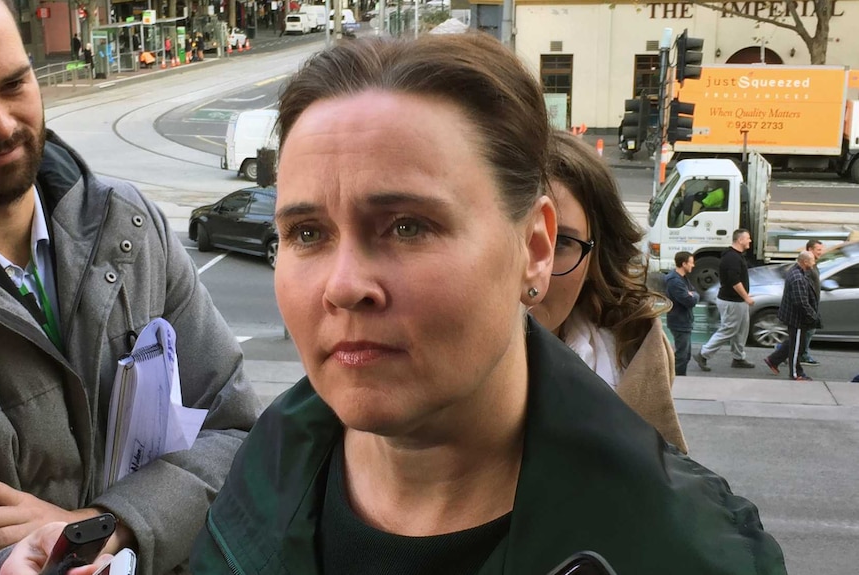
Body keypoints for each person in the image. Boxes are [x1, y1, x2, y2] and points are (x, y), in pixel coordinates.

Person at [190, 34, 786, 575]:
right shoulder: (258, 473)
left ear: (534, 247)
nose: (344, 286)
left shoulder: (689, 554)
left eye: (406, 227)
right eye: (307, 234)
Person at [0, 1, 262, 573]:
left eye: (14, 84)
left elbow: (236, 431)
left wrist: (105, 524)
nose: (2, 123)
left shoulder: (131, 225)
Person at [529, 131, 687, 453]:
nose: (531, 271)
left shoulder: (630, 362)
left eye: (560, 244)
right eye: (512, 238)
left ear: (595, 261)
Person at [694, 228, 756, 371]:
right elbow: (734, 281)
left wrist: (744, 297)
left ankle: (738, 358)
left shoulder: (736, 255)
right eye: (748, 238)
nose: (750, 241)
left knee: (741, 330)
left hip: (737, 300)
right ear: (740, 240)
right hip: (732, 301)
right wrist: (746, 297)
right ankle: (703, 354)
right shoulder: (732, 258)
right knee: (728, 330)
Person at [763, 251, 819, 381]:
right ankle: (795, 373)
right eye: (812, 260)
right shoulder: (798, 278)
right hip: (797, 318)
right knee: (797, 347)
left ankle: (773, 360)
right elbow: (800, 302)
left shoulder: (797, 271)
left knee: (796, 342)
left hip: (794, 316)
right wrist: (812, 316)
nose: (814, 263)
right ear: (805, 262)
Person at [665, 251, 699, 377]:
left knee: (686, 354)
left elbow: (694, 293)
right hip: (679, 321)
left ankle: (677, 376)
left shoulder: (683, 278)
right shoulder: (675, 281)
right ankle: (677, 378)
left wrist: (692, 295)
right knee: (682, 355)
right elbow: (689, 301)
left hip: (684, 320)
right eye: (691, 262)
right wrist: (692, 296)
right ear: (684, 264)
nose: (693, 265)